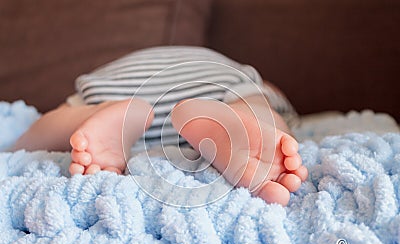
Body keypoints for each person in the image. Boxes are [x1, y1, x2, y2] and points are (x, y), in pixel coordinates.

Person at [12, 46, 307, 206]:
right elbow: (281, 111)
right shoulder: (247, 76)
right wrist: (276, 112)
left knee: (43, 132)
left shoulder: (128, 65)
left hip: (117, 80)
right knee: (259, 111)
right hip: (214, 76)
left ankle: (105, 110)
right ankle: (230, 120)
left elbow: (21, 146)